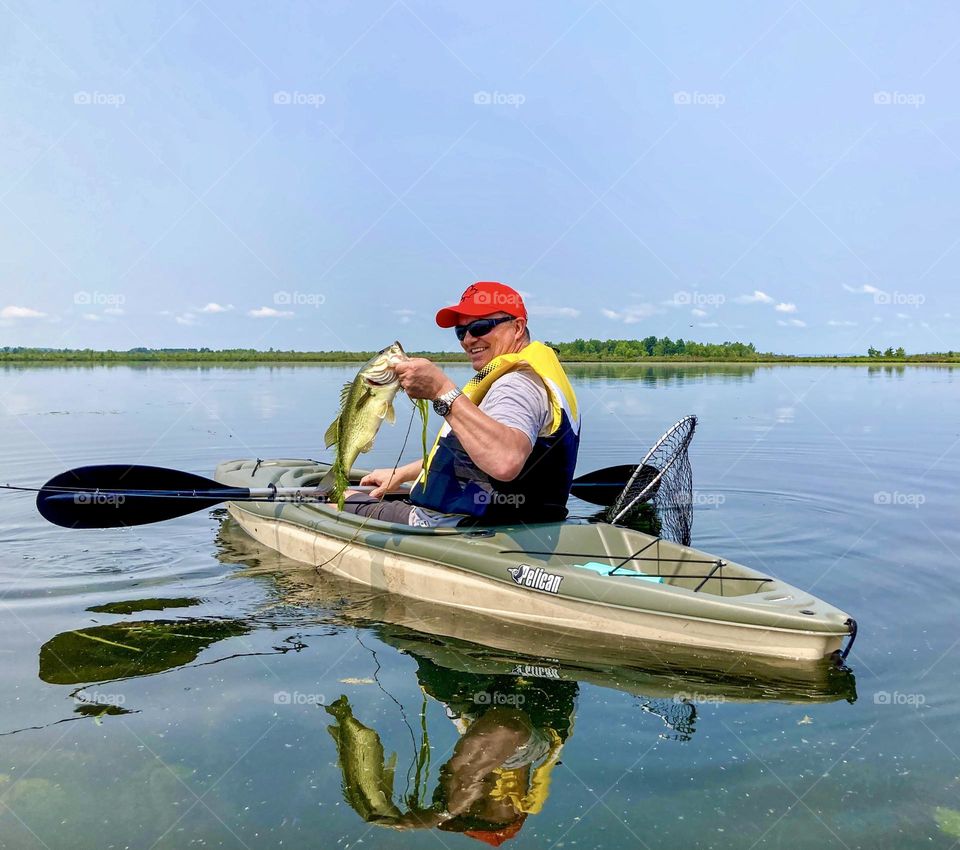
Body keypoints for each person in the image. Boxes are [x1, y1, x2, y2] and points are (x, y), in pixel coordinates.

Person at [340, 281, 580, 526]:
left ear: (517, 327)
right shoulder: (526, 377)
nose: (468, 339)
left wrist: (440, 390)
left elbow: (505, 461)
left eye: (480, 327)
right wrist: (402, 474)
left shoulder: (516, 385)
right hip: (514, 523)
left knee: (336, 499)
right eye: (460, 331)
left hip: (456, 527)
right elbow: (476, 452)